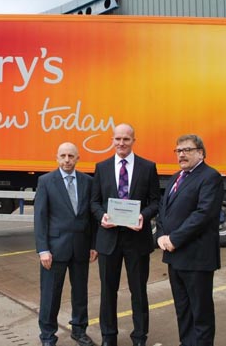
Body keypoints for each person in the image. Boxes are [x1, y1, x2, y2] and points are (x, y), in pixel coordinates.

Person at [91, 123, 161, 346]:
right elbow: (94, 202)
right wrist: (101, 216)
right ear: (112, 140)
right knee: (107, 292)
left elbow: (156, 201)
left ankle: (139, 337)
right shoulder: (101, 167)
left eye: (126, 139)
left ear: (133, 140)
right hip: (108, 239)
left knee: (139, 292)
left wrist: (144, 215)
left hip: (137, 240)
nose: (121, 143)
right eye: (118, 139)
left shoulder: (147, 167)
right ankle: (108, 337)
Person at [155, 134, 224, 346]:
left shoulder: (210, 177)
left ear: (201, 153)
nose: (181, 154)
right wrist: (160, 236)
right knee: (183, 310)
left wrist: (174, 238)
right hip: (175, 257)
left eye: (187, 150)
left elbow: (203, 214)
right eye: (178, 151)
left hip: (197, 258)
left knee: (200, 312)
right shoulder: (177, 177)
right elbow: (163, 210)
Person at [34, 142, 98, 346]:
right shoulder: (46, 181)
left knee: (80, 293)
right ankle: (47, 335)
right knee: (50, 295)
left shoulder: (87, 181)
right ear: (57, 158)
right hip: (54, 249)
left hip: (81, 247)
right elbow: (40, 217)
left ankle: (79, 330)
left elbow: (92, 217)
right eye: (63, 156)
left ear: (78, 158)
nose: (67, 160)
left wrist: (93, 245)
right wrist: (43, 249)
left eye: (71, 156)